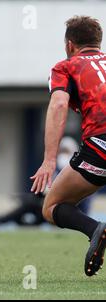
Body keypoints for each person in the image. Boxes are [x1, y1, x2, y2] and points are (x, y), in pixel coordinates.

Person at [31, 16, 106, 277]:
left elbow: (60, 104)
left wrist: (50, 160)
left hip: (100, 145)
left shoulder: (66, 66)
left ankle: (95, 229)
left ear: (70, 45)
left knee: (51, 207)